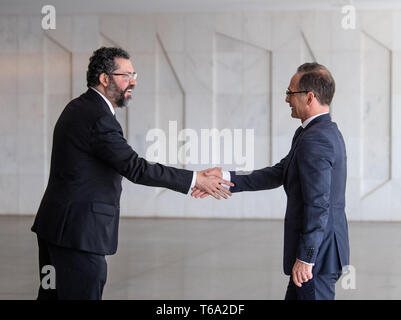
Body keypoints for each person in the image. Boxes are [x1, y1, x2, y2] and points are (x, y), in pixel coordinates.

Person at [31, 47, 233, 300]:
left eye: (134, 74)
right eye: (126, 75)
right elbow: (135, 167)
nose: (133, 81)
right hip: (78, 234)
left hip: (58, 227)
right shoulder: (98, 117)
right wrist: (196, 179)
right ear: (105, 79)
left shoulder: (80, 107)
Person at [192, 62, 350, 300]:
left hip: (316, 259)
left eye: (290, 92)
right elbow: (279, 172)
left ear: (309, 98)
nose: (286, 99)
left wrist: (306, 257)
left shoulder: (315, 140)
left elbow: (319, 204)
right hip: (318, 254)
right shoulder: (316, 133)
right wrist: (225, 177)